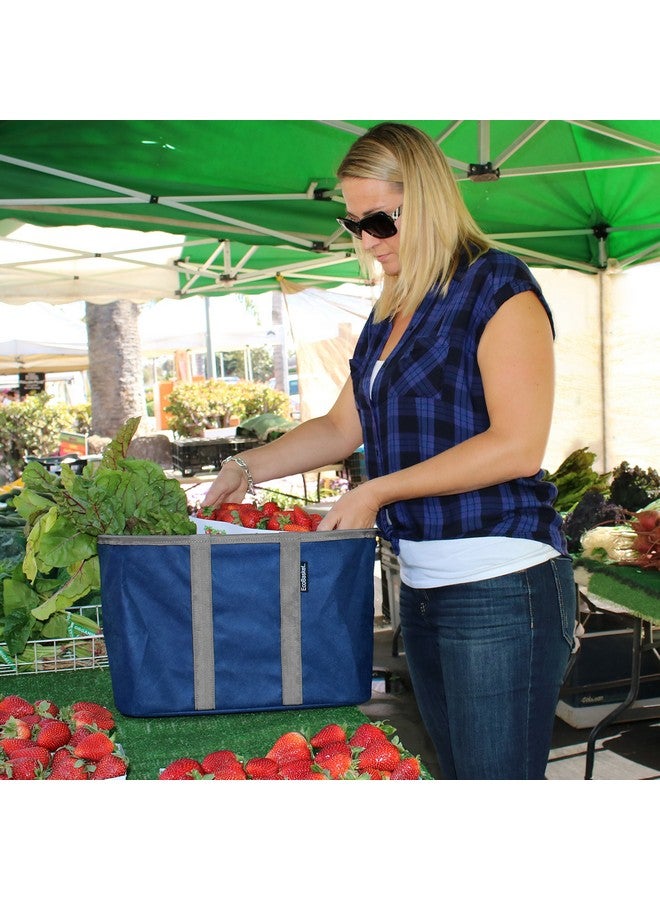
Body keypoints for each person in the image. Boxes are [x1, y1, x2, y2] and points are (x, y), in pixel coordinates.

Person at [204, 122, 575, 780]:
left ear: (426, 199)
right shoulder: (390, 310)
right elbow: (341, 428)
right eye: (355, 224)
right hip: (422, 586)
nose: (368, 242)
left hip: (501, 580)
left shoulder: (498, 287)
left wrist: (377, 490)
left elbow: (517, 447)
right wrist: (243, 468)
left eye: (380, 220)